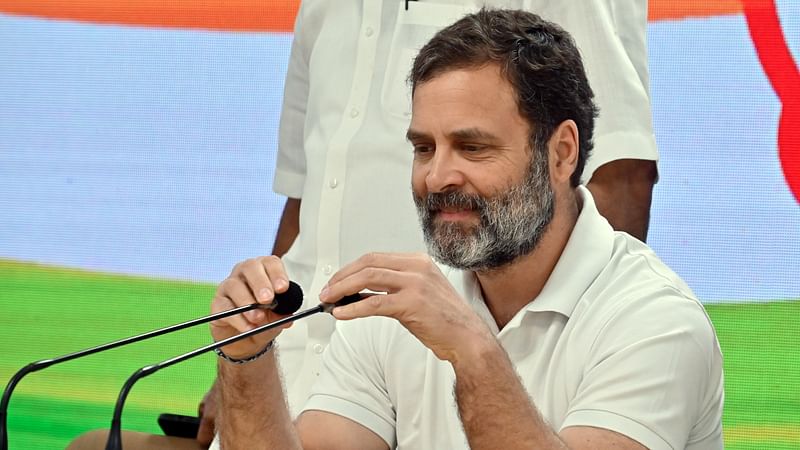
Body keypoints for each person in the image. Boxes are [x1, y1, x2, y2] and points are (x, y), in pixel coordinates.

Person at [209, 9, 723, 449]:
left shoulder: (656, 321)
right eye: (424, 148)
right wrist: (246, 359)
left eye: (473, 147)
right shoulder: (392, 312)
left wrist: (470, 347)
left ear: (562, 152)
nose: (436, 177)